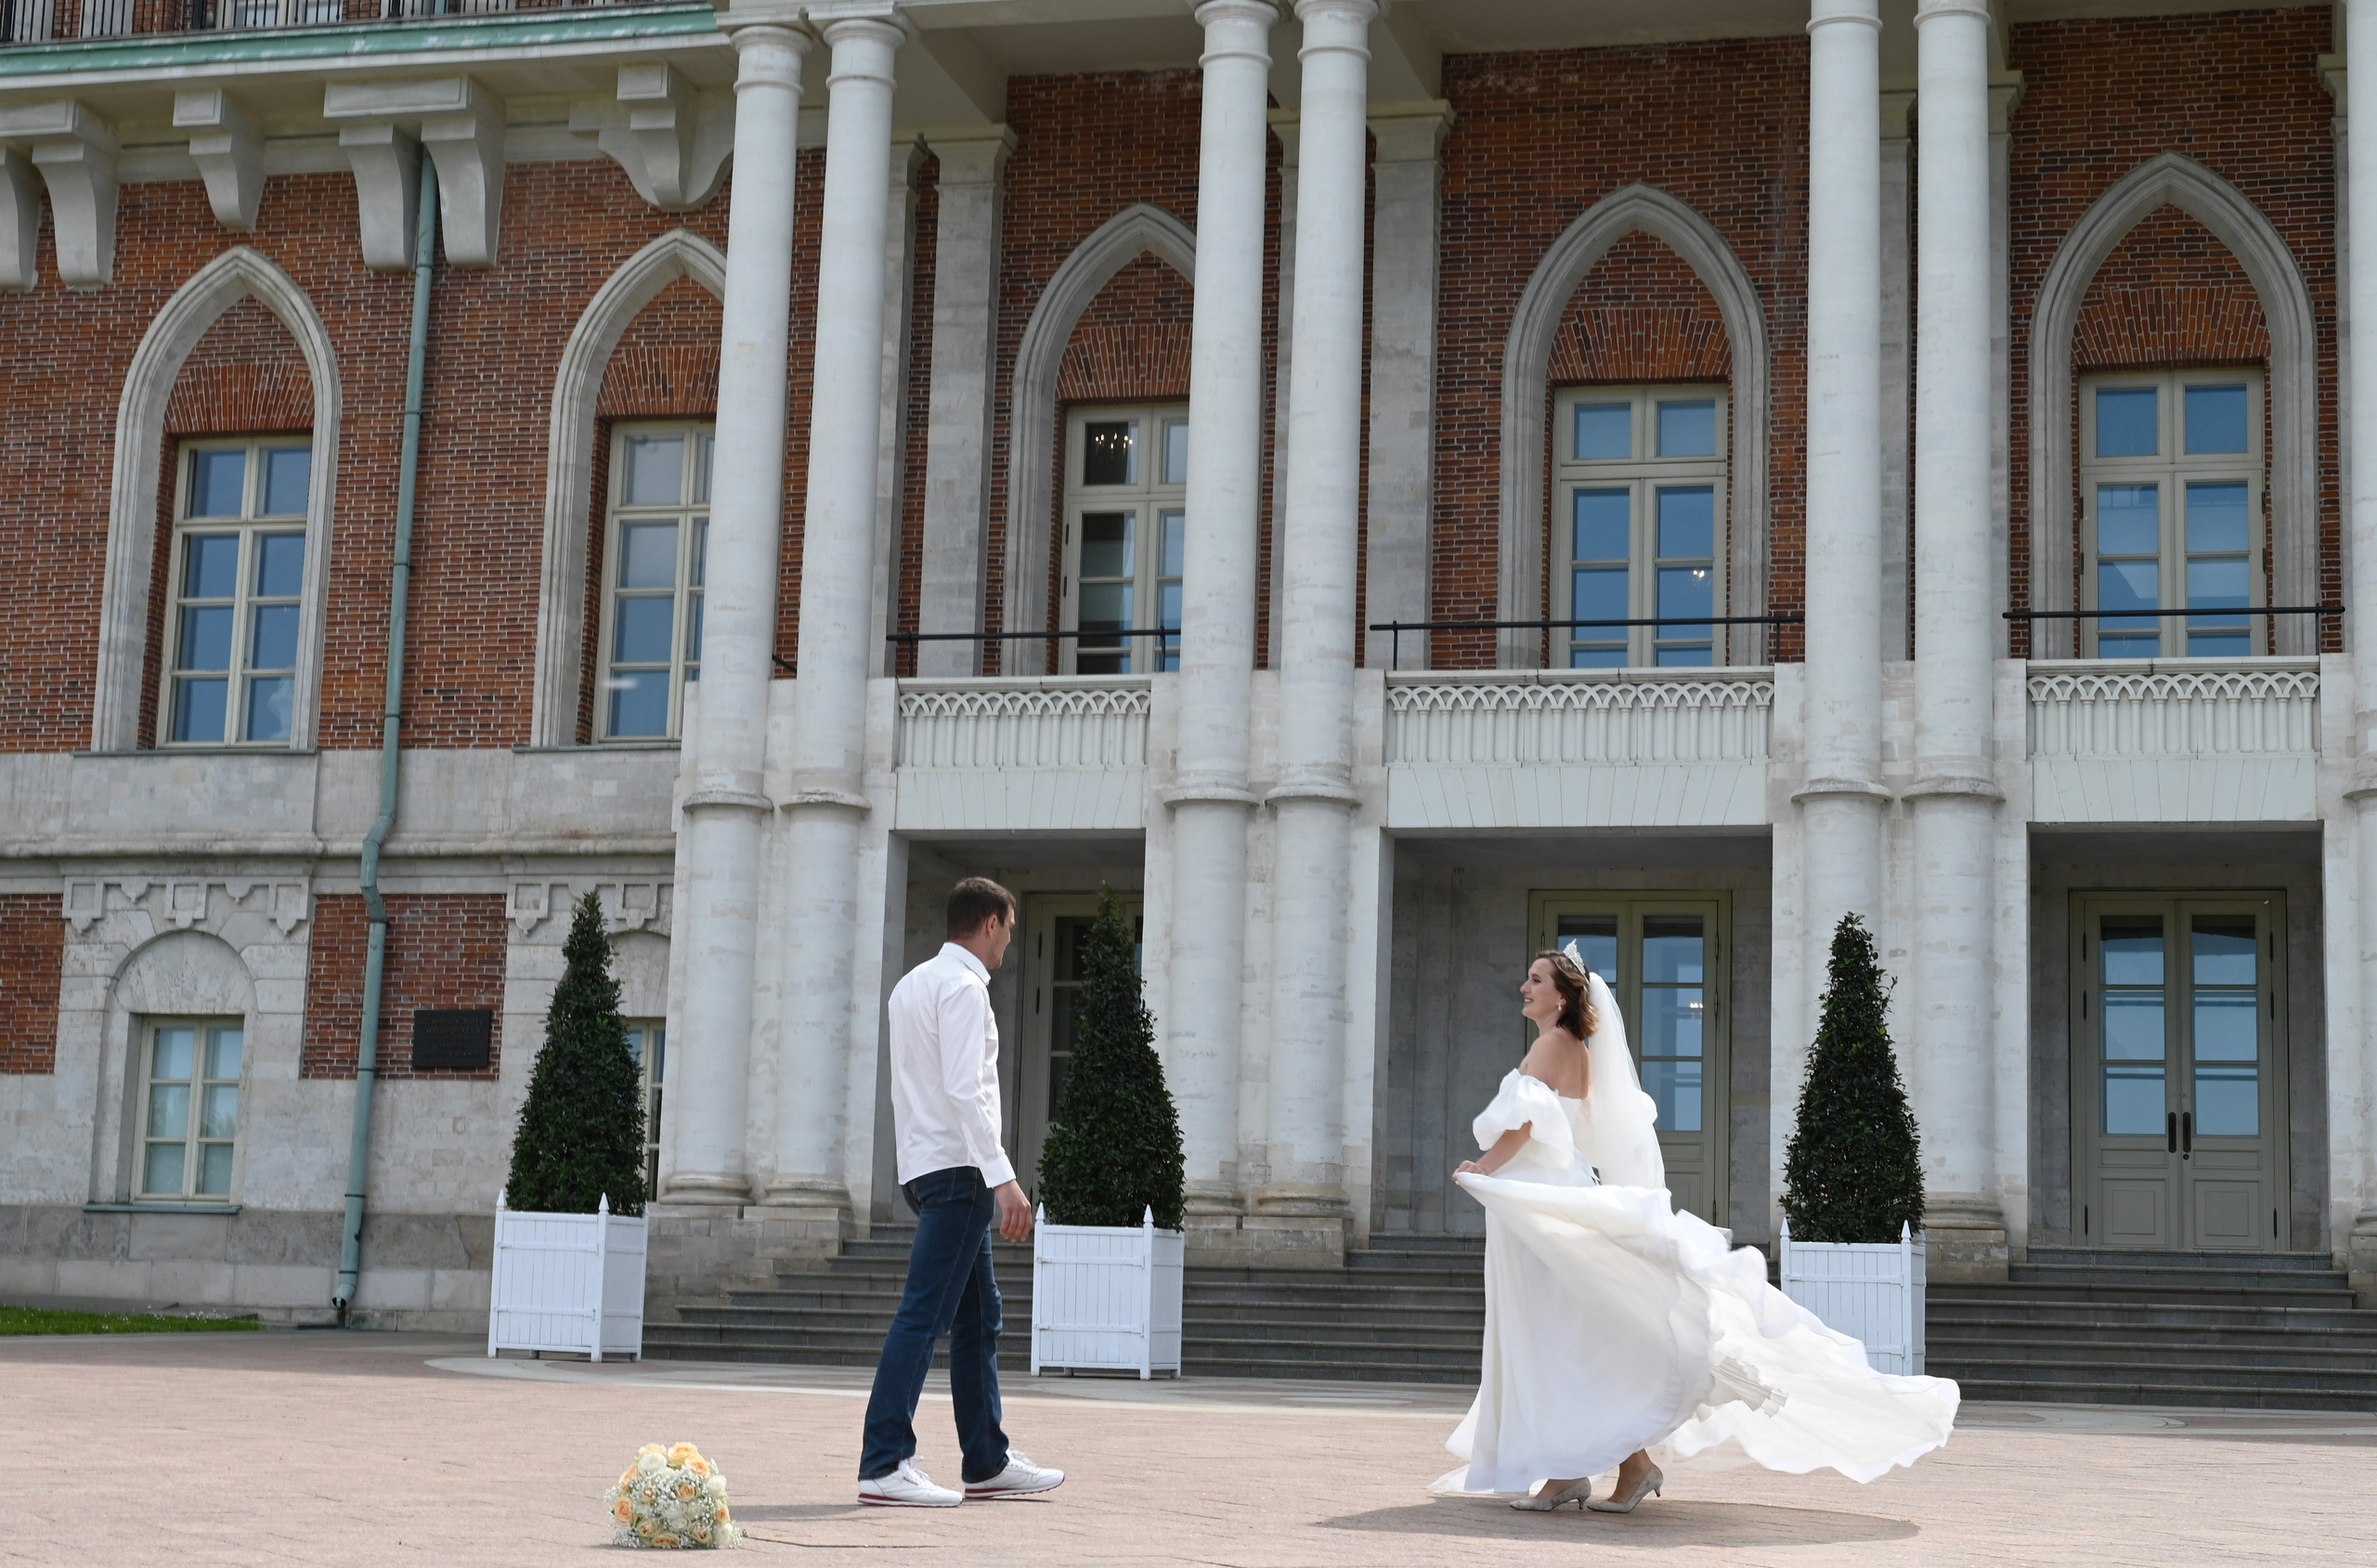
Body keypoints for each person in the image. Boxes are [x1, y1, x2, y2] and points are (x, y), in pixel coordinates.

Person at [1435, 944, 1958, 1512]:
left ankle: (1582, 1470)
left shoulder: (1551, 1044)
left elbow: (1524, 1125)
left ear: (1561, 996)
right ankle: (1594, 1469)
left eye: (1534, 980)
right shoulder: (1579, 1050)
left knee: (1562, 1331)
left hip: (1543, 1200)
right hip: (1551, 1193)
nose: (1524, 988)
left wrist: (1482, 1167)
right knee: (1574, 1330)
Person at [856, 877, 1065, 1508]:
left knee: (979, 1316)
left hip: (923, 1166)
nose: (1008, 942)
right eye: (1008, 927)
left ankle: (987, 1458)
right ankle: (885, 1460)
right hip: (961, 1172)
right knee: (925, 1314)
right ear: (992, 924)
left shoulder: (911, 985)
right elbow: (965, 1089)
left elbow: (914, 1087)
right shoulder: (967, 988)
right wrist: (1003, 1178)